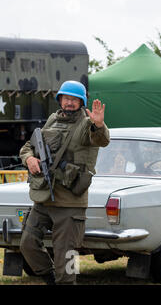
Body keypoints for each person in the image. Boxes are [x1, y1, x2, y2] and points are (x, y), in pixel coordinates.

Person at [19, 80, 110, 284]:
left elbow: (102, 140)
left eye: (74, 99)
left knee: (67, 257)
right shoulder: (52, 120)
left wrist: (99, 124)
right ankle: (51, 279)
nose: (69, 103)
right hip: (44, 199)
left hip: (70, 204)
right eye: (66, 98)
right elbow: (28, 146)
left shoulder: (88, 124)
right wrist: (29, 159)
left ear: (81, 102)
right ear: (60, 99)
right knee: (27, 244)